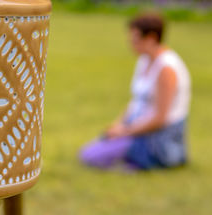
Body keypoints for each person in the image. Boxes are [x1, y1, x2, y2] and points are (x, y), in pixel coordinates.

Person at [79, 13, 191, 170]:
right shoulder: (144, 60)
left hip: (158, 137)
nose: (131, 43)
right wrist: (118, 125)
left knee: (91, 156)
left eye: (135, 39)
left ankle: (137, 161)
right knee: (92, 150)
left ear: (151, 38)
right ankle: (128, 160)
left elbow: (160, 118)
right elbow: (137, 101)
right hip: (137, 127)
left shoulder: (166, 68)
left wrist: (125, 131)